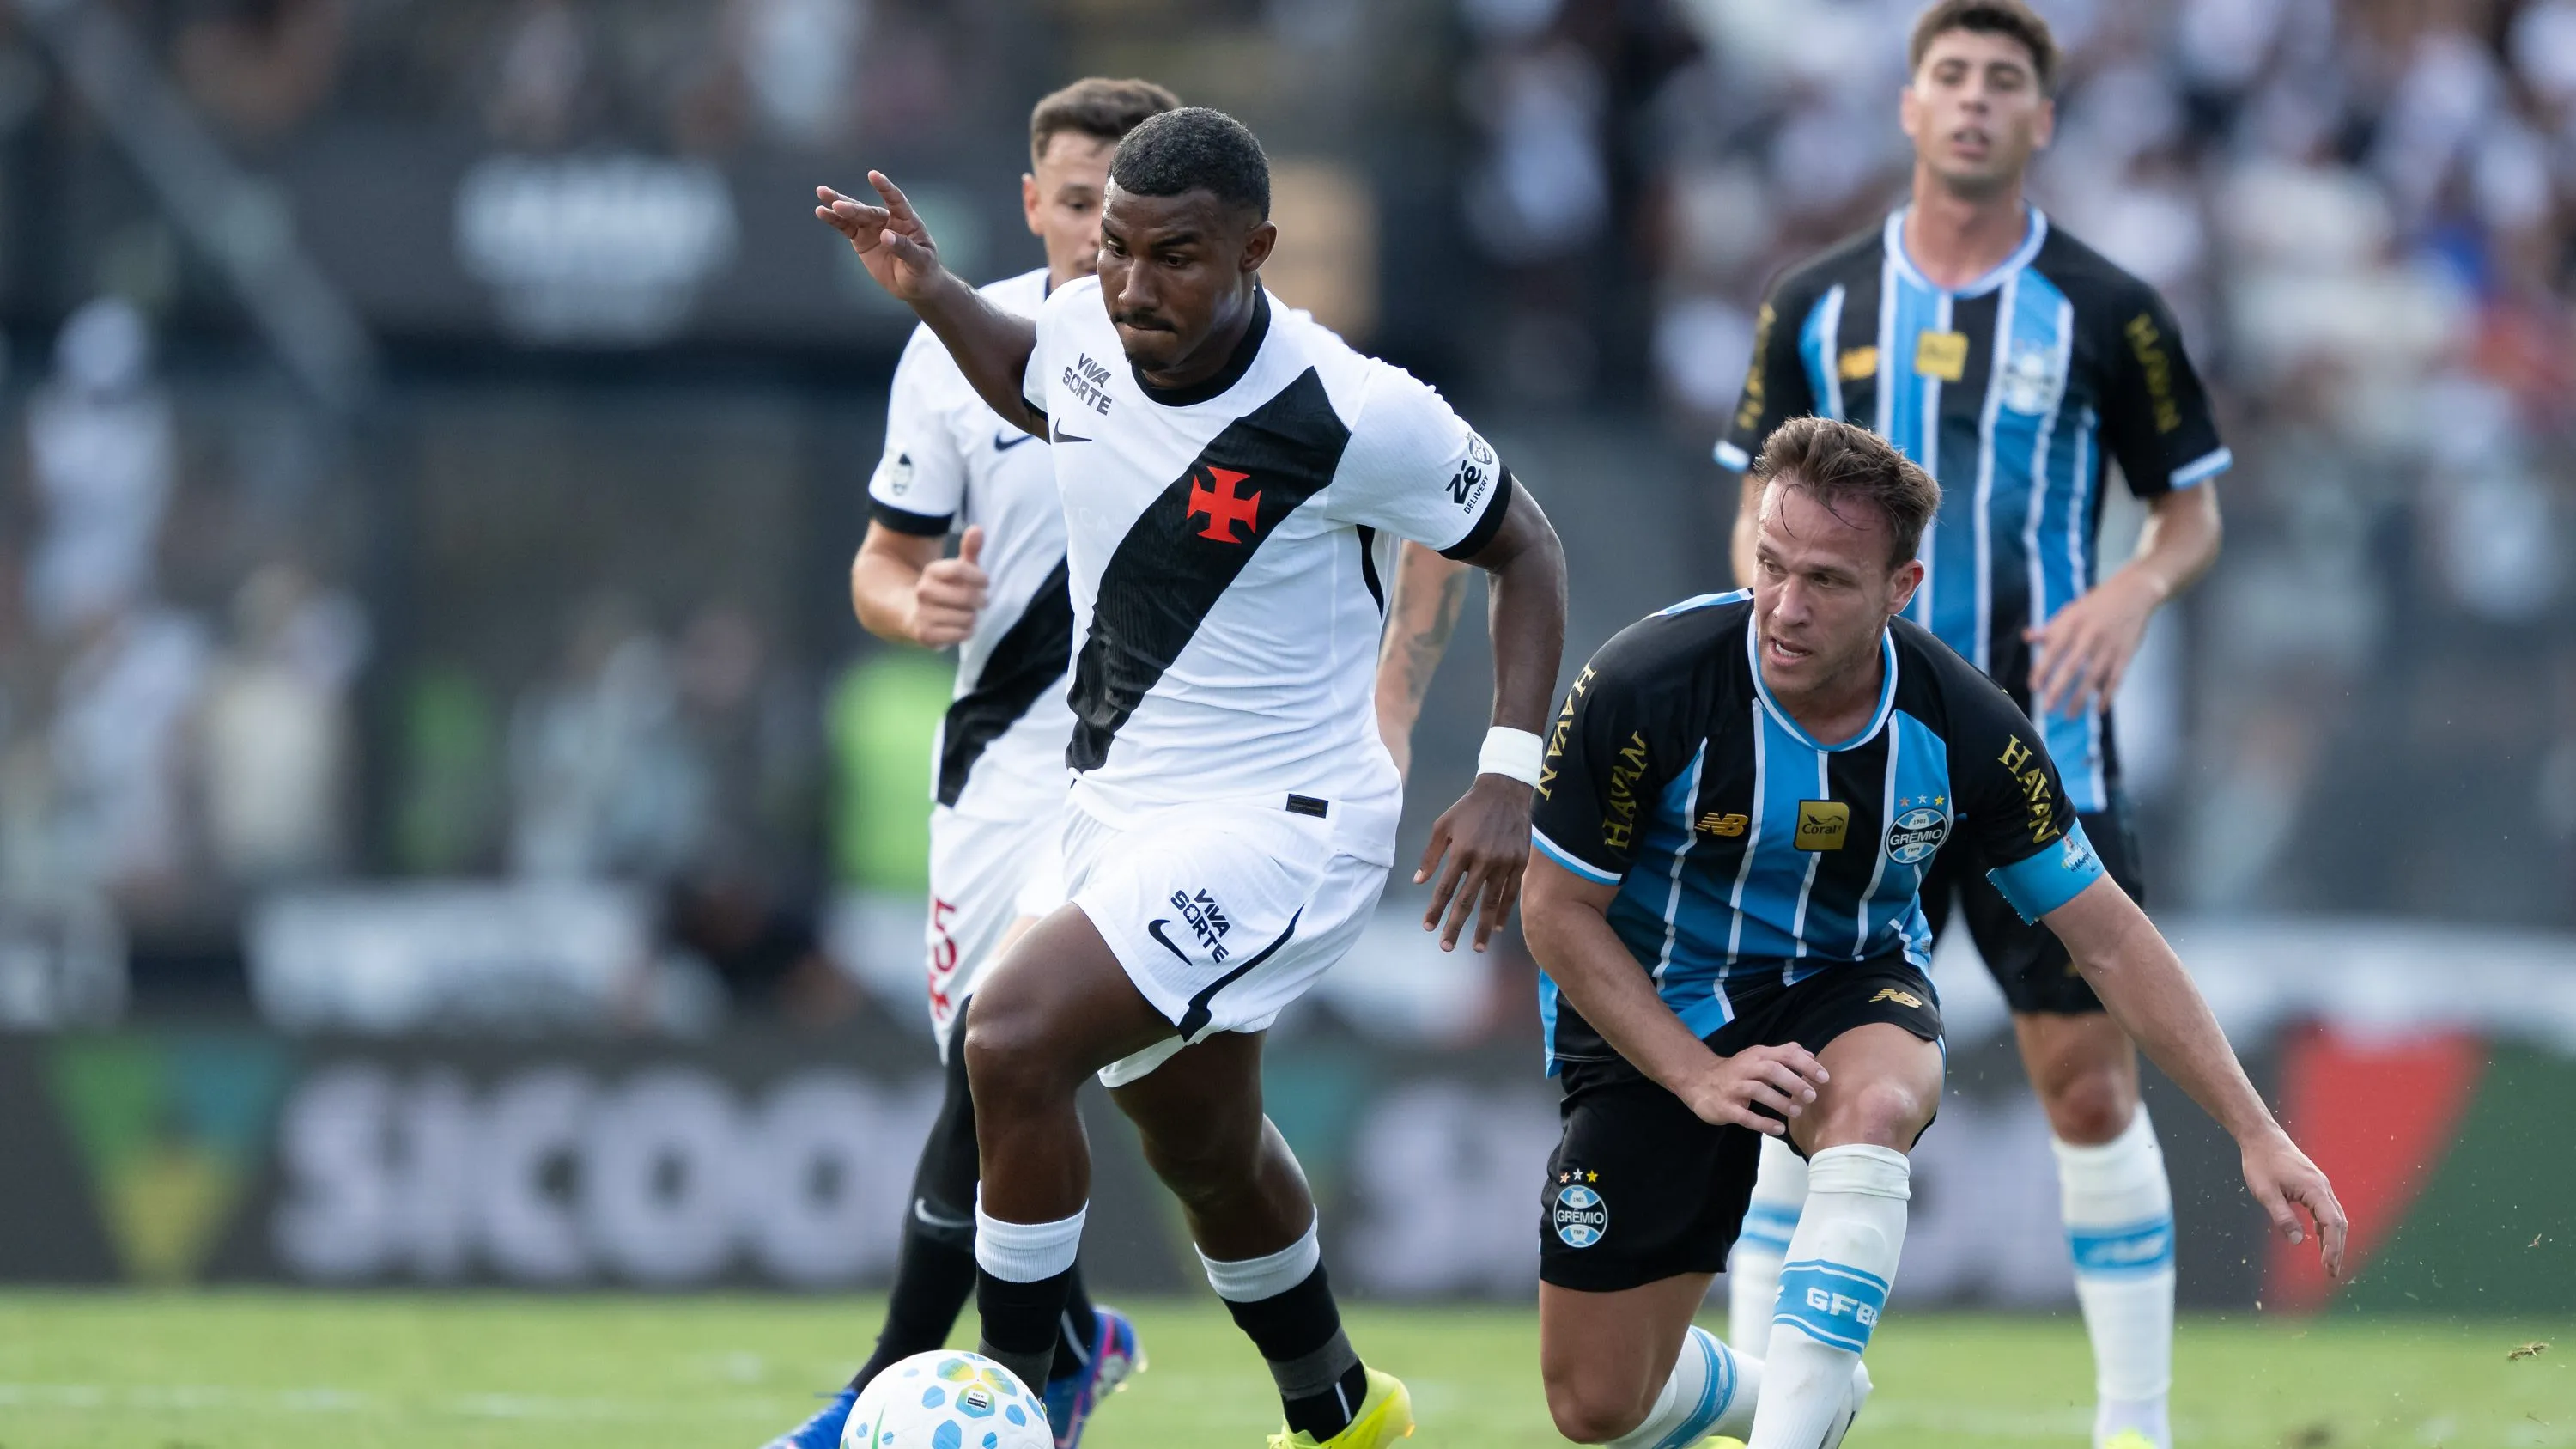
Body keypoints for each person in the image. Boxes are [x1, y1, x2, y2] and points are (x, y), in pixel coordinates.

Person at [815, 106, 1567, 1449]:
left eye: (1176, 258)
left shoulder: (1351, 407)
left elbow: (1529, 548)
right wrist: (929, 290)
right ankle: (1339, 1409)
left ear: (1257, 250)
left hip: (1281, 825)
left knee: (1012, 1034)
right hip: (1116, 811)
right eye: (1114, 251)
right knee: (1202, 1143)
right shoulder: (1093, 337)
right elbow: (1030, 374)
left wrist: (1509, 772)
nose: (1134, 287)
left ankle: (1017, 1397)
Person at [1523, 416, 2342, 1449]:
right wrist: (1693, 1071)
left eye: (1825, 579)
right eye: (1772, 565)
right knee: (1596, 1404)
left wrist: (2256, 1130)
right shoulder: (1645, 684)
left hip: (1846, 981)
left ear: (1901, 588)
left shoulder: (1965, 727)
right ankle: (1806, 1395)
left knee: (1871, 1104)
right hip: (1658, 1007)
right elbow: (1553, 911)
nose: (1783, 606)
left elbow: (2111, 940)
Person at [1714, 8, 2230, 1446]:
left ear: (2043, 119)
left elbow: (2194, 509)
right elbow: (1754, 511)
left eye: (2007, 81)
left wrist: (2134, 588)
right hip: (1844, 769)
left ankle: (2135, 1424)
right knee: (1789, 1086)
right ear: (1908, 105)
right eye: (1952, 76)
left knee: (2083, 1080)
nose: (1976, 102)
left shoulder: (2109, 308)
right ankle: (1772, 1401)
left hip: (2041, 758)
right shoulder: (1815, 303)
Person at [761, 77, 1178, 1449]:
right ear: (1030, 202)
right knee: (990, 1071)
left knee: (1003, 1064)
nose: (1095, 244)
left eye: (1125, 220)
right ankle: (1068, 1342)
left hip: (1158, 778)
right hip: (999, 772)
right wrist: (912, 603)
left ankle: (886, 1377)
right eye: (1074, 209)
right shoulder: (953, 348)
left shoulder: (1229, 365)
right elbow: (884, 562)